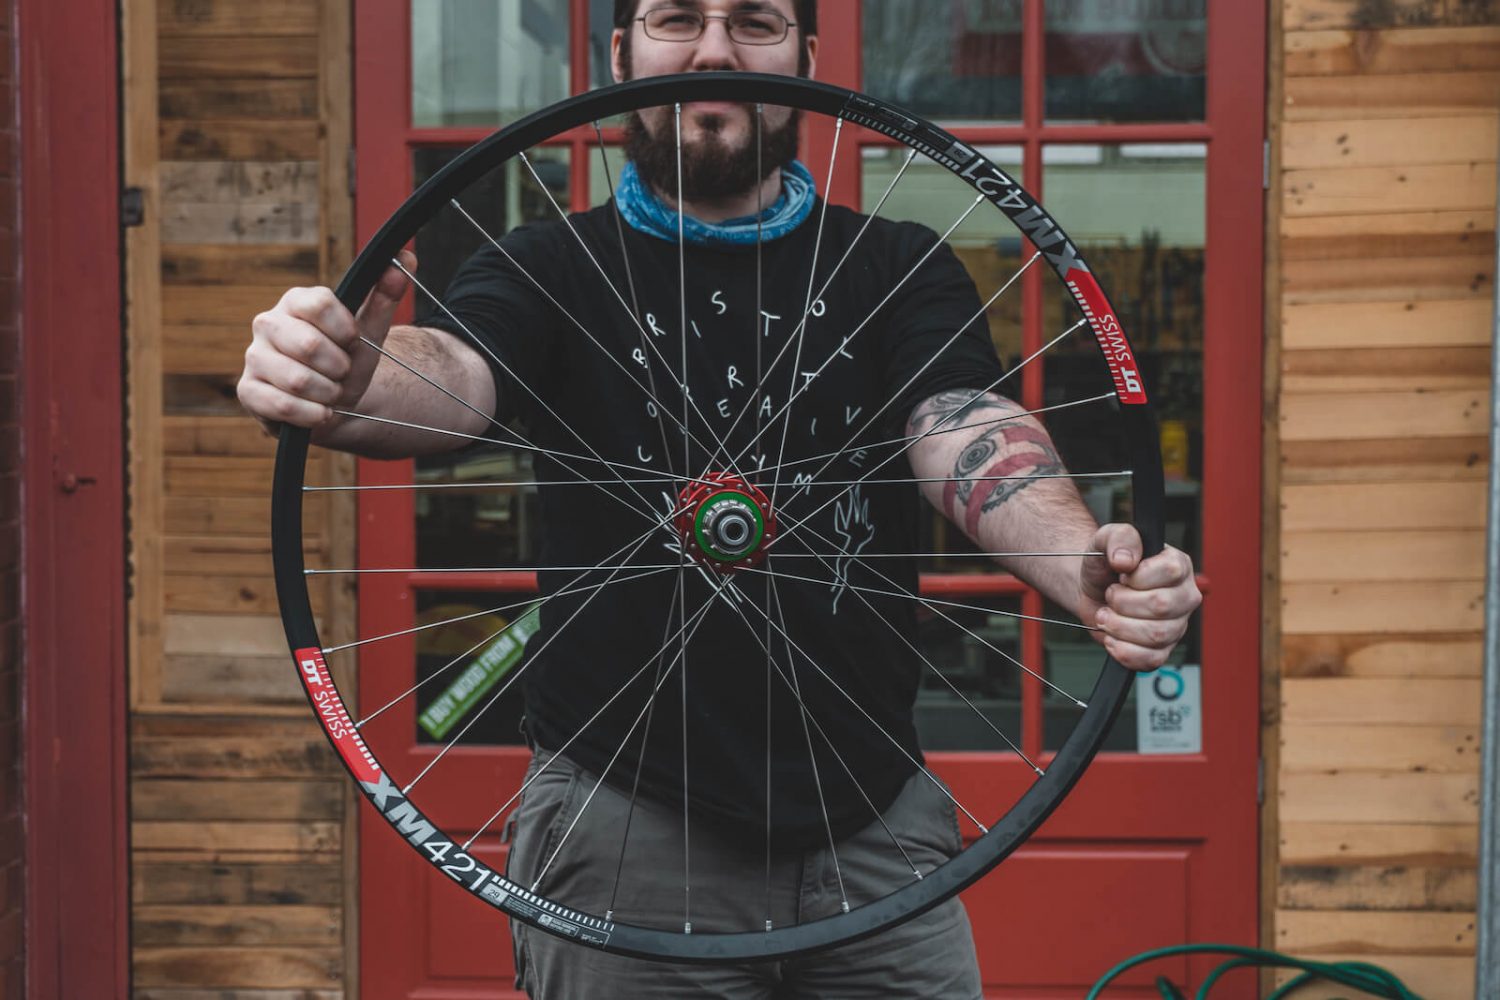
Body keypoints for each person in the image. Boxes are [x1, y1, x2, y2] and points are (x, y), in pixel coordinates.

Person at [239, 2, 1203, 996]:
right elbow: (452, 374)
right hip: (626, 826)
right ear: (621, 55)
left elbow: (962, 426)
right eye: (675, 18)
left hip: (873, 826)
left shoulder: (898, 264)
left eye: (754, 21)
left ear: (806, 60)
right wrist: (345, 376)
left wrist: (1081, 566)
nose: (711, 50)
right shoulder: (548, 267)